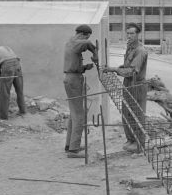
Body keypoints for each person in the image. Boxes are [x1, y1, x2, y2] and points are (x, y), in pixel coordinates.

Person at [103, 23, 148, 151]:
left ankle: (139, 143)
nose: (129, 36)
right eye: (128, 33)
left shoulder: (140, 50)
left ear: (138, 34)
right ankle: (130, 139)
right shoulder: (130, 47)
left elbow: (132, 71)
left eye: (132, 33)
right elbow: (126, 66)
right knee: (126, 113)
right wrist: (118, 68)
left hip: (137, 85)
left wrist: (114, 69)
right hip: (128, 83)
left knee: (137, 114)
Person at [63, 25, 98, 158]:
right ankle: (73, 151)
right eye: (87, 36)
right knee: (80, 115)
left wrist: (84, 67)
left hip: (71, 77)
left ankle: (70, 146)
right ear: (83, 34)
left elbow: (72, 63)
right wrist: (95, 52)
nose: (87, 39)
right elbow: (88, 43)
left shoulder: (70, 43)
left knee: (74, 114)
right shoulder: (77, 42)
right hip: (73, 80)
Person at [0, 45, 26, 120]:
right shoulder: (2, 48)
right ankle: (23, 111)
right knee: (19, 90)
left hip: (7, 67)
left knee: (5, 93)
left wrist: (0, 75)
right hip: (18, 65)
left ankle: (3, 116)